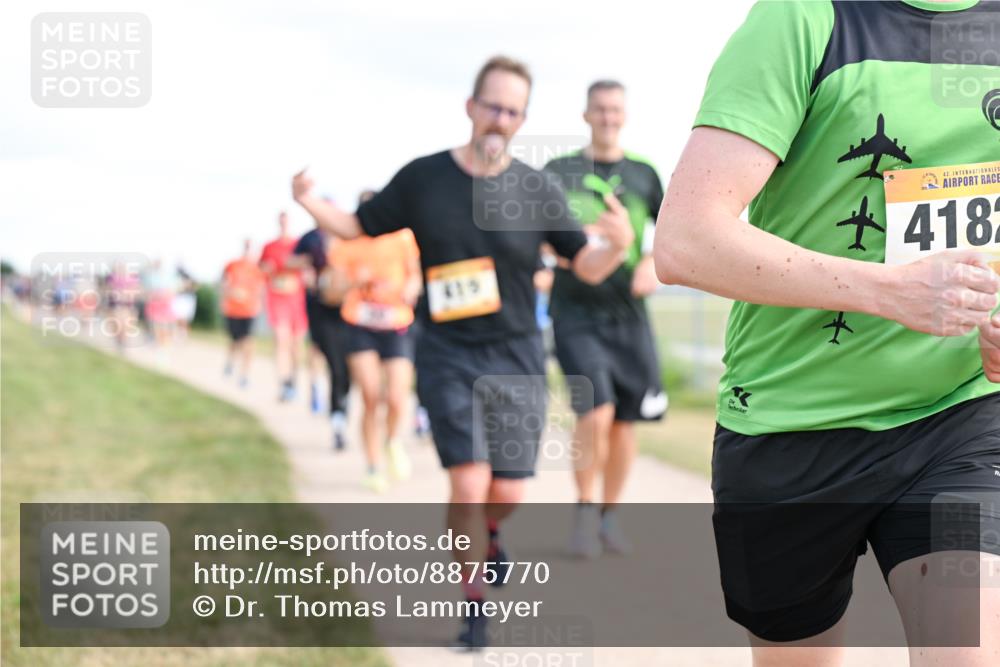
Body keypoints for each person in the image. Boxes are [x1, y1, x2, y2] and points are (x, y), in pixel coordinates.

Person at [655, 2, 1000, 665]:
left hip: (956, 417)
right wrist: (888, 292)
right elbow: (685, 241)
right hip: (791, 429)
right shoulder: (803, 18)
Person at [291, 55, 635, 650]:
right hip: (448, 353)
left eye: (513, 110)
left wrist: (620, 245)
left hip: (517, 355)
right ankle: (473, 606)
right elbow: (356, 227)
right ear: (471, 107)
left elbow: (584, 262)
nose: (501, 118)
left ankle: (493, 534)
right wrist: (308, 202)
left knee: (507, 493)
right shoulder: (424, 178)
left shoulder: (535, 187)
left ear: (522, 119)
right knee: (470, 484)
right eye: (493, 105)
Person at [545, 80, 668, 558]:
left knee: (623, 421)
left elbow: (671, 228)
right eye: (599, 109)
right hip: (574, 311)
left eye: (615, 109)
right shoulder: (559, 172)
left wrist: (651, 263)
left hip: (628, 315)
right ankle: (583, 509)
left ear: (625, 115)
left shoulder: (643, 174)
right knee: (593, 412)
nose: (607, 117)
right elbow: (537, 234)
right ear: (586, 115)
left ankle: (609, 517)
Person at [328, 217, 422, 493]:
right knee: (370, 396)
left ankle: (392, 440)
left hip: (396, 323)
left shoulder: (402, 238)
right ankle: (372, 467)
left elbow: (414, 274)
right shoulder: (347, 244)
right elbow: (331, 292)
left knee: (396, 397)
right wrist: (354, 282)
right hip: (360, 325)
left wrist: (411, 288)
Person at [290, 198, 353, 449]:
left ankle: (340, 405)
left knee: (348, 367)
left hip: (348, 309)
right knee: (333, 362)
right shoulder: (309, 239)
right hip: (319, 308)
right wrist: (304, 266)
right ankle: (337, 418)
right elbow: (291, 261)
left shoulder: (348, 238)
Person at [259, 211, 308, 402]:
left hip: (297, 299)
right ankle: (283, 383)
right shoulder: (269, 246)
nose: (284, 224)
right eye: (281, 221)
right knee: (281, 340)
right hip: (277, 299)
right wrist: (268, 268)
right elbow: (261, 268)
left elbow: (308, 265)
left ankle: (293, 380)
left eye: (286, 221)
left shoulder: (299, 244)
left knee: (296, 345)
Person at [221, 239, 265, 387]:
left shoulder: (258, 268)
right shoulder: (232, 265)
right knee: (235, 340)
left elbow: (263, 286)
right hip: (233, 309)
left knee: (248, 341)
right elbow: (224, 283)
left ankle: (245, 374)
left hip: (250, 310)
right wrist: (230, 292)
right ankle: (230, 362)